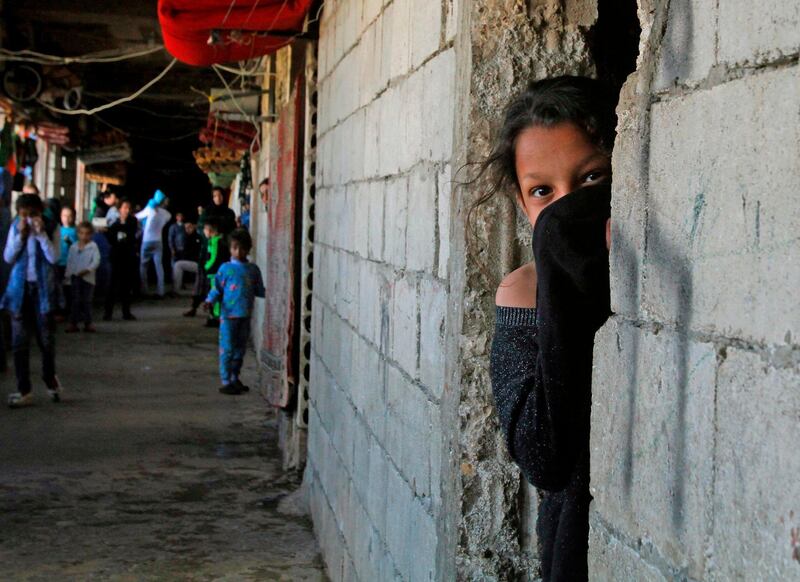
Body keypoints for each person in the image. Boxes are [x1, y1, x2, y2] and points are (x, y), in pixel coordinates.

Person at [478, 77, 616, 581]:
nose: (565, 207)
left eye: (592, 179)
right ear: (521, 203)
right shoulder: (520, 295)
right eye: (543, 192)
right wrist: (560, 290)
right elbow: (544, 456)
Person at [1, 194, 63, 407]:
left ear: (41, 212)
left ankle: (50, 380)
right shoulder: (15, 227)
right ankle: (23, 389)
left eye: (33, 214)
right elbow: (8, 257)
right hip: (20, 290)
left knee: (46, 339)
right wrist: (20, 236)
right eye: (24, 215)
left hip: (43, 290)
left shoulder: (52, 227)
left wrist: (41, 235)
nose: (28, 219)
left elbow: (54, 257)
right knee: (19, 341)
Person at [204, 228, 264, 395]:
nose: (238, 252)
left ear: (248, 249)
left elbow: (260, 290)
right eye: (235, 247)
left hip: (245, 315)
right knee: (227, 348)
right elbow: (217, 288)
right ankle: (226, 380)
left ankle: (235, 377)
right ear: (230, 248)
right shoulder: (225, 269)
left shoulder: (253, 270)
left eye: (242, 248)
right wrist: (210, 300)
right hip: (228, 316)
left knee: (240, 349)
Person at [184, 217, 229, 323]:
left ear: (209, 230)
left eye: (204, 230)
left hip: (214, 274)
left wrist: (206, 267)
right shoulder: (214, 241)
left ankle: (215, 317)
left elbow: (213, 258)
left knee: (215, 294)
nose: (203, 232)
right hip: (214, 273)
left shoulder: (215, 242)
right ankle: (213, 316)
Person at [104, 199, 138, 321]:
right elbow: (111, 239)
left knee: (126, 286)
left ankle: (126, 312)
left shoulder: (132, 222)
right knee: (111, 286)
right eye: (124, 208)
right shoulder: (114, 225)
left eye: (129, 208)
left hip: (127, 257)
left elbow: (131, 236)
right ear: (120, 210)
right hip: (116, 257)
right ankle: (108, 313)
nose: (127, 211)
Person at [65, 222, 101, 333]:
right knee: (75, 301)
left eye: (87, 234)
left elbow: (96, 260)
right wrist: (67, 276)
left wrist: (88, 270)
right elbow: (70, 262)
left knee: (87, 301)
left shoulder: (93, 246)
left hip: (88, 278)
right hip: (75, 277)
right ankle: (73, 323)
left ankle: (88, 323)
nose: (84, 236)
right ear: (78, 234)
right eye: (81, 233)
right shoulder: (73, 247)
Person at [136, 189, 171, 298]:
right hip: (158, 241)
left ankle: (144, 290)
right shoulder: (167, 214)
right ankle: (161, 291)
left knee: (143, 266)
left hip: (147, 241)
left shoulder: (149, 209)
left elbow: (137, 216)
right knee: (159, 267)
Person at [56, 206, 77, 318]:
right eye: (64, 215)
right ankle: (61, 310)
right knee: (60, 289)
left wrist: (70, 241)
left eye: (69, 216)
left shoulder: (75, 231)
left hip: (70, 264)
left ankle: (69, 311)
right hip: (59, 263)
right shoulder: (58, 230)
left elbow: (77, 246)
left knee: (69, 289)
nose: (66, 218)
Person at [172, 220, 202, 294]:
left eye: (189, 227)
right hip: (189, 261)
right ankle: (177, 289)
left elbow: (195, 252)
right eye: (186, 228)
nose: (188, 229)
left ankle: (196, 290)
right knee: (176, 264)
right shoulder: (185, 237)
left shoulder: (198, 237)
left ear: (193, 227)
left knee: (178, 264)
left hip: (197, 262)